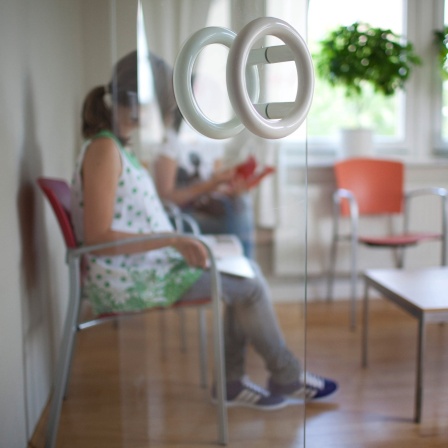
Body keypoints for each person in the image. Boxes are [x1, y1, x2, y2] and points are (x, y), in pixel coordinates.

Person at [71, 50, 337, 410]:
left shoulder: (115, 147)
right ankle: (280, 376)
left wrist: (177, 238)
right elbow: (98, 240)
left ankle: (238, 381)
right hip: (130, 279)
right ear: (139, 102)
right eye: (163, 105)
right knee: (250, 285)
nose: (165, 116)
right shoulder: (104, 150)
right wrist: (175, 239)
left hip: (149, 266)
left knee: (246, 273)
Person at [149, 52, 256, 259]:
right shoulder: (170, 143)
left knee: (241, 203)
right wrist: (209, 185)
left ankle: (241, 269)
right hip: (182, 216)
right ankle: (242, 267)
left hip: (208, 208)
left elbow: (217, 186)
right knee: (236, 214)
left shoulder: (211, 140)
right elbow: (166, 198)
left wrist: (233, 188)